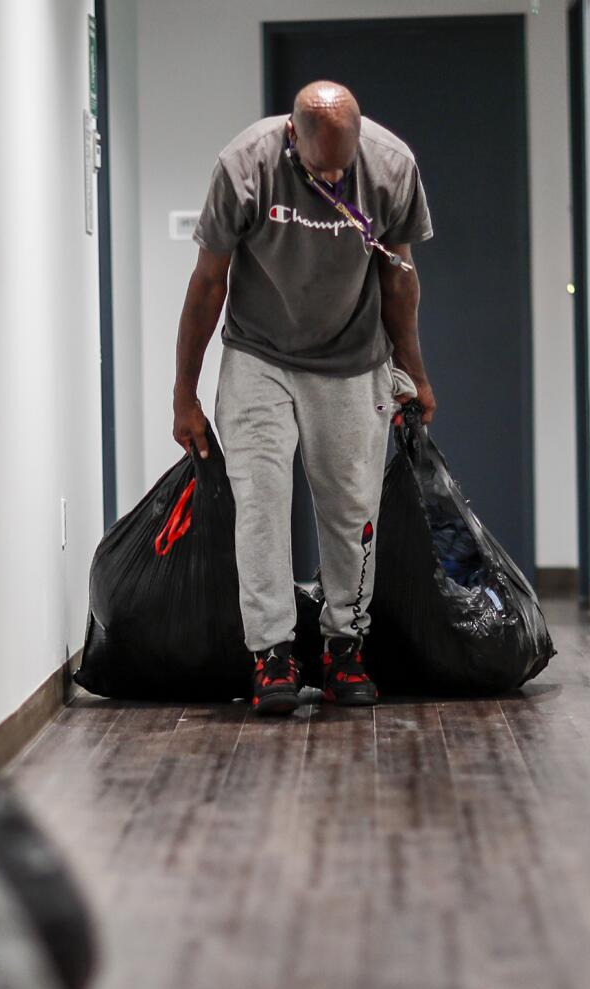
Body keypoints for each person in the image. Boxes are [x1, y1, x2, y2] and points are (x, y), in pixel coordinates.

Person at [172, 80, 435, 715]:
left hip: (353, 359)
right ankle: (271, 654)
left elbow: (399, 279)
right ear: (293, 138)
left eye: (346, 163)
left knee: (351, 511)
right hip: (259, 354)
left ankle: (346, 647)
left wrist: (415, 371)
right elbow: (208, 282)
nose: (338, 175)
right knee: (260, 506)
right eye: (324, 167)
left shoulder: (392, 167)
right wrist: (184, 392)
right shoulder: (245, 167)